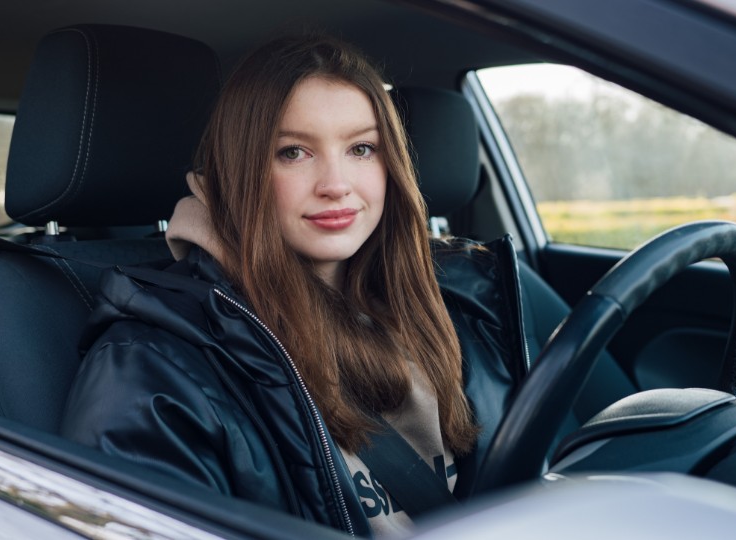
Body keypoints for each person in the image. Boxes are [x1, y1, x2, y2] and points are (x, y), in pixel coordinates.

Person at [60, 34, 528, 537]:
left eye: (362, 148)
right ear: (239, 171)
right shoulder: (150, 369)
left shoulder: (462, 302)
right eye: (293, 152)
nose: (335, 183)